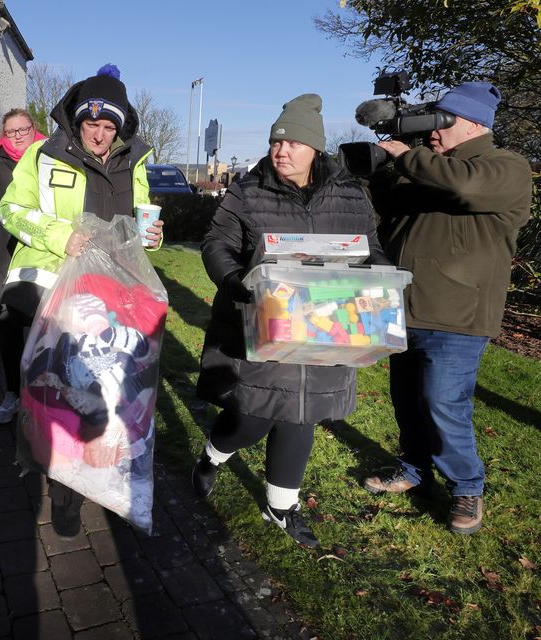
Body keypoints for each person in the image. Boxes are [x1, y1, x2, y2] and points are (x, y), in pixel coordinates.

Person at [192, 94, 390, 548]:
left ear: (315, 149)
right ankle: (212, 456)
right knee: (252, 419)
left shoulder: (350, 193)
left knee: (301, 414)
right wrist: (235, 280)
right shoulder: (248, 190)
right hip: (262, 323)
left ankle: (280, 508)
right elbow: (216, 243)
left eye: (294, 143)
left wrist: (381, 275)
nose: (282, 151)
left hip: (326, 326)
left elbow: (369, 246)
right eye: (276, 143)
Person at [0, 64, 164, 537]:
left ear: (121, 127)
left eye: (109, 126)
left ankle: (109, 483)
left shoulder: (134, 161)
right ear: (76, 119)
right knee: (66, 396)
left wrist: (151, 236)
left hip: (116, 291)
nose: (99, 134)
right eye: (92, 124)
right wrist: (57, 235)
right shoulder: (41, 155)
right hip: (56, 287)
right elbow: (10, 209)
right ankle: (66, 495)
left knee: (113, 394)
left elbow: (138, 225)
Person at [361, 82, 532, 535]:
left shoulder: (504, 167)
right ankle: (415, 470)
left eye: (443, 121)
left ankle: (466, 486)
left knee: (443, 402)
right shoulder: (431, 169)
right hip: (405, 306)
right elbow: (389, 207)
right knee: (408, 401)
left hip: (458, 313)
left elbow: (466, 189)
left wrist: (406, 155)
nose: (433, 131)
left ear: (475, 125)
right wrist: (381, 168)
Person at [0, 109, 45, 424]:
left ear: (33, 129)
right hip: (1, 247)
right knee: (8, 321)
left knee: (44, 324)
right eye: (10, 130)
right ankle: (12, 394)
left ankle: (41, 397)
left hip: (40, 246)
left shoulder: (49, 155)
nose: (17, 135)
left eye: (23, 129)